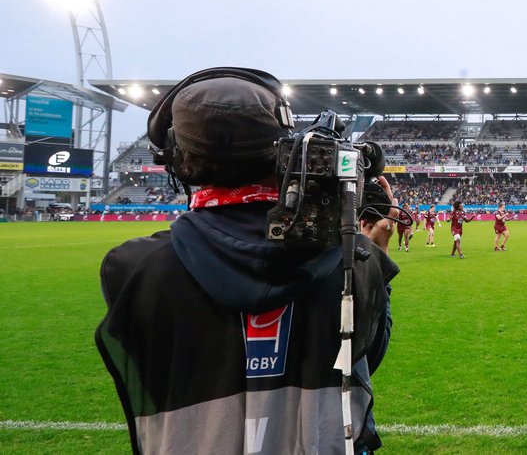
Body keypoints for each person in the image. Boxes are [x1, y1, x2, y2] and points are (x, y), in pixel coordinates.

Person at [95, 69, 400, 453]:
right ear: (286, 152)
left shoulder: (130, 268)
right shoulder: (353, 260)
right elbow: (368, 353)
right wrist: (367, 249)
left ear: (177, 159)